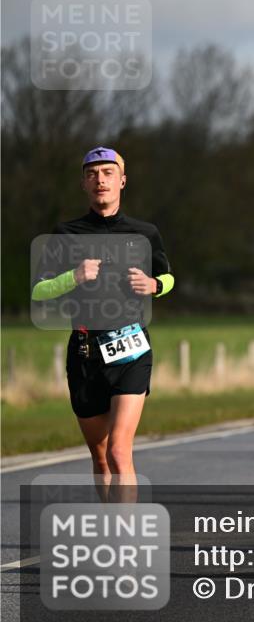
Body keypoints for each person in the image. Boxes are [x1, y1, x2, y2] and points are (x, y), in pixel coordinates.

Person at [30, 147, 174, 499]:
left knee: (119, 452)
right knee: (100, 456)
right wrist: (74, 277)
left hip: (131, 350)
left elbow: (168, 277)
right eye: (93, 174)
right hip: (84, 353)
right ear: (83, 183)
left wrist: (154, 286)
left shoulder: (144, 233)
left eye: (108, 173)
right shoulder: (65, 234)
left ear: (122, 180)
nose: (100, 180)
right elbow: (39, 290)